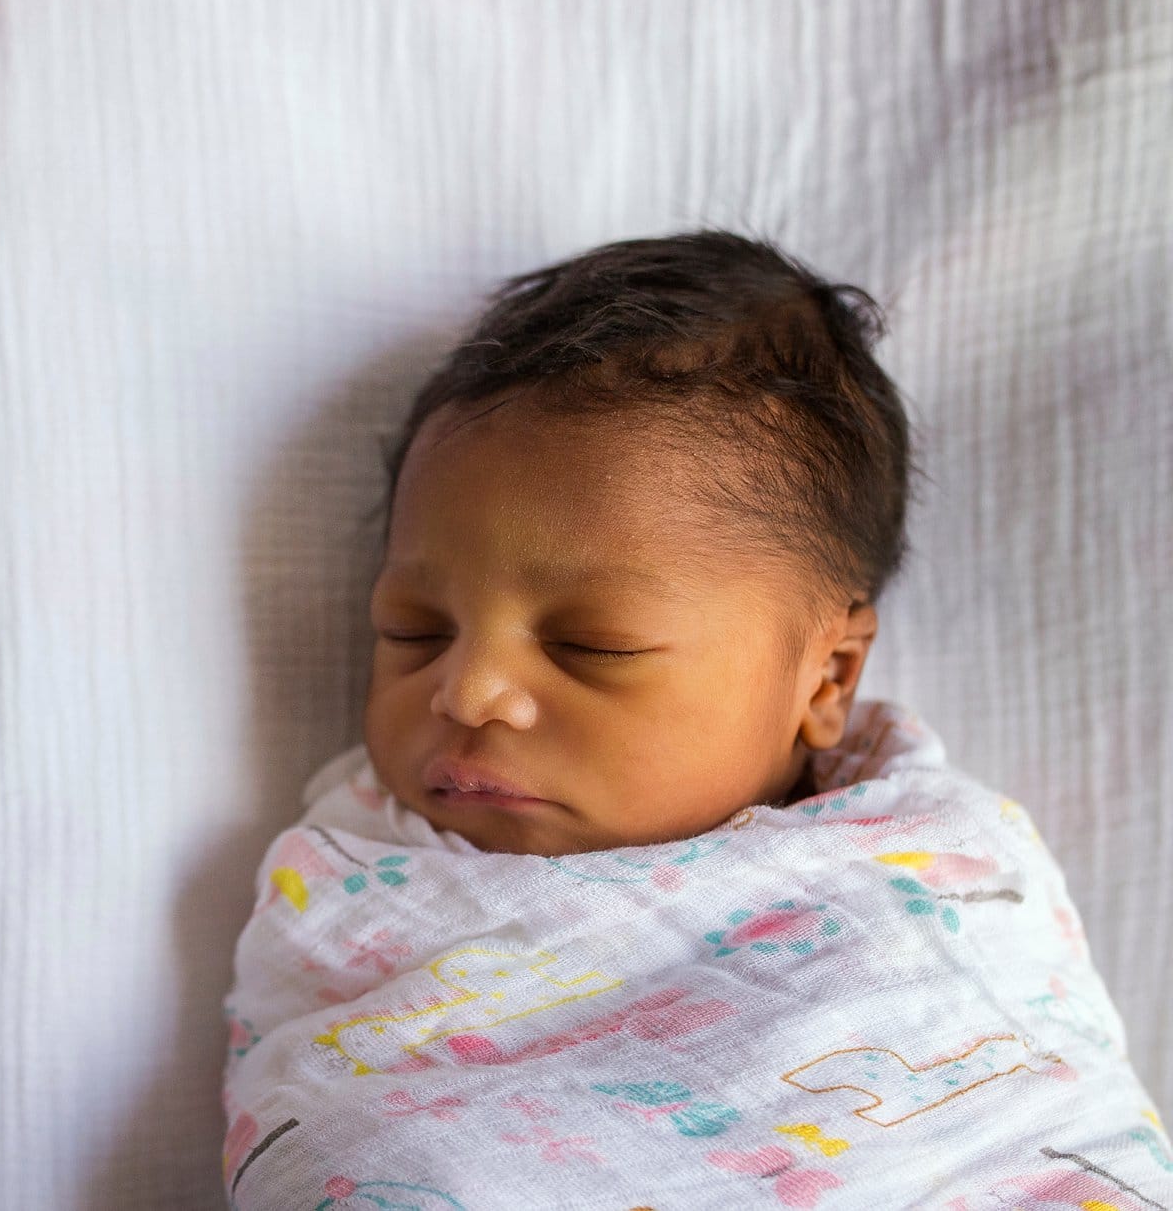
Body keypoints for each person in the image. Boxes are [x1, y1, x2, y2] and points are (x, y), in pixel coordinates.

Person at [220, 231, 1168, 1209]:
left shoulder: (926, 877)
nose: (464, 693)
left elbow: (1043, 1137)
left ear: (824, 676)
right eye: (412, 630)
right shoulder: (352, 880)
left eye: (592, 643)